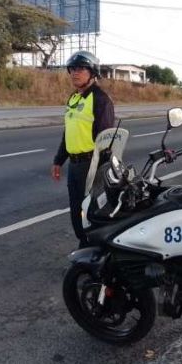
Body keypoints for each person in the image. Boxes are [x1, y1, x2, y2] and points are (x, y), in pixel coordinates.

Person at [51, 50, 115, 248]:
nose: (74, 73)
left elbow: (106, 138)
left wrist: (103, 168)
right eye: (72, 69)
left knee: (93, 211)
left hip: (93, 165)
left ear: (92, 72)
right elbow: (68, 132)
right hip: (75, 166)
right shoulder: (74, 98)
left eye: (80, 69)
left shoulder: (100, 99)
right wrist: (58, 160)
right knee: (76, 211)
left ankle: (96, 251)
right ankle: (84, 245)